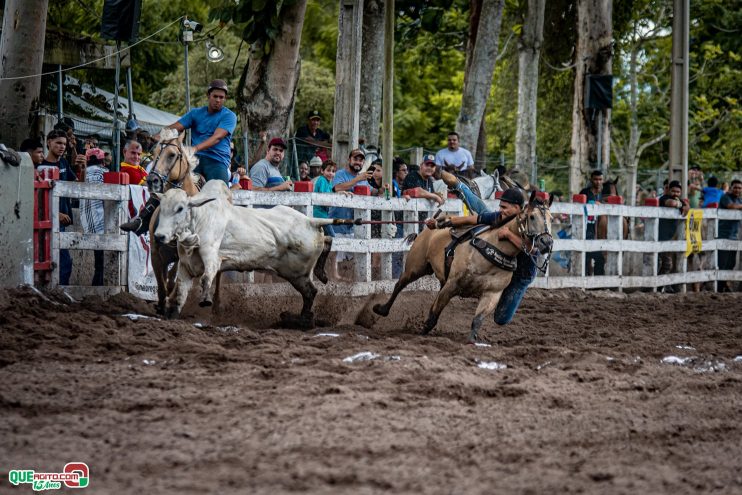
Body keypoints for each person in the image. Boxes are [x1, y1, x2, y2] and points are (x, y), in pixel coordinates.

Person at [121, 80, 237, 235]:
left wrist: (194, 148)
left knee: (221, 192)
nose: (218, 100)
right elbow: (177, 126)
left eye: (222, 97)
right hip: (194, 159)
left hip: (217, 162)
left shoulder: (229, 116)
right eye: (215, 96)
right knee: (167, 179)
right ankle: (142, 220)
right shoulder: (196, 113)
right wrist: (158, 135)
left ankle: (225, 231)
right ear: (208, 95)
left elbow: (217, 137)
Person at [428, 175, 538, 326]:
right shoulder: (501, 216)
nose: (501, 210)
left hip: (520, 274)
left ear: (518, 209)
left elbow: (533, 250)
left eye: (505, 207)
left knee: (501, 319)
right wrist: (446, 222)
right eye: (501, 206)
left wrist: (509, 235)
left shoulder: (529, 221)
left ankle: (461, 187)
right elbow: (473, 219)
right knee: (484, 213)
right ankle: (460, 187)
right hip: (501, 266)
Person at [39, 129, 77, 285]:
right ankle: (57, 293)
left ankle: (59, 293)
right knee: (56, 261)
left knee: (63, 262)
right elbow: (39, 196)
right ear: (49, 142)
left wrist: (83, 167)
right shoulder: (41, 166)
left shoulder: (64, 163)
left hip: (62, 222)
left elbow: (76, 185)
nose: (62, 147)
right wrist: (56, 213)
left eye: (64, 144)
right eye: (58, 143)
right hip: (46, 221)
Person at [314, 160, 351, 281]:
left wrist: (340, 193)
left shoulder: (328, 182)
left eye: (333, 171)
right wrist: (339, 194)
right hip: (320, 216)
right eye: (329, 170)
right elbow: (326, 196)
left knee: (324, 243)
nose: (331, 173)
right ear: (322, 171)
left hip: (323, 215)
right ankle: (330, 272)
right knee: (332, 240)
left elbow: (330, 193)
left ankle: (326, 270)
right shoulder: (322, 180)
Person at [80, 148, 108, 286]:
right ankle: (98, 291)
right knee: (103, 264)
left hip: (88, 222)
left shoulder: (83, 174)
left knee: (98, 263)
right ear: (102, 161)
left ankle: (95, 289)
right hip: (103, 223)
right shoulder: (105, 173)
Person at [657, 180, 689, 293]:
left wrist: (684, 204)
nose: (675, 193)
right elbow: (672, 203)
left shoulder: (679, 199)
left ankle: (661, 286)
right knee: (665, 263)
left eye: (678, 192)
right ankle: (660, 285)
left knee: (665, 264)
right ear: (669, 190)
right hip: (658, 237)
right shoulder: (664, 198)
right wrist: (682, 204)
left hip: (669, 238)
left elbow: (687, 207)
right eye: (673, 191)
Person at [718, 179, 742, 291]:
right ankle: (719, 287)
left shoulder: (739, 200)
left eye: (740, 188)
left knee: (731, 263)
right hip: (723, 234)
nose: (737, 190)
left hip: (734, 235)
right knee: (722, 263)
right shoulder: (725, 197)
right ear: (731, 188)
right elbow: (731, 206)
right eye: (735, 187)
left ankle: (724, 285)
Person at [580, 170, 605, 276]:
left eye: (600, 179)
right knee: (585, 258)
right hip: (586, 230)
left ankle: (598, 285)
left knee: (600, 259)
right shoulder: (585, 192)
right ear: (591, 179)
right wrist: (593, 203)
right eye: (595, 179)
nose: (598, 182)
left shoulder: (601, 194)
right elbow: (579, 204)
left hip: (598, 232)